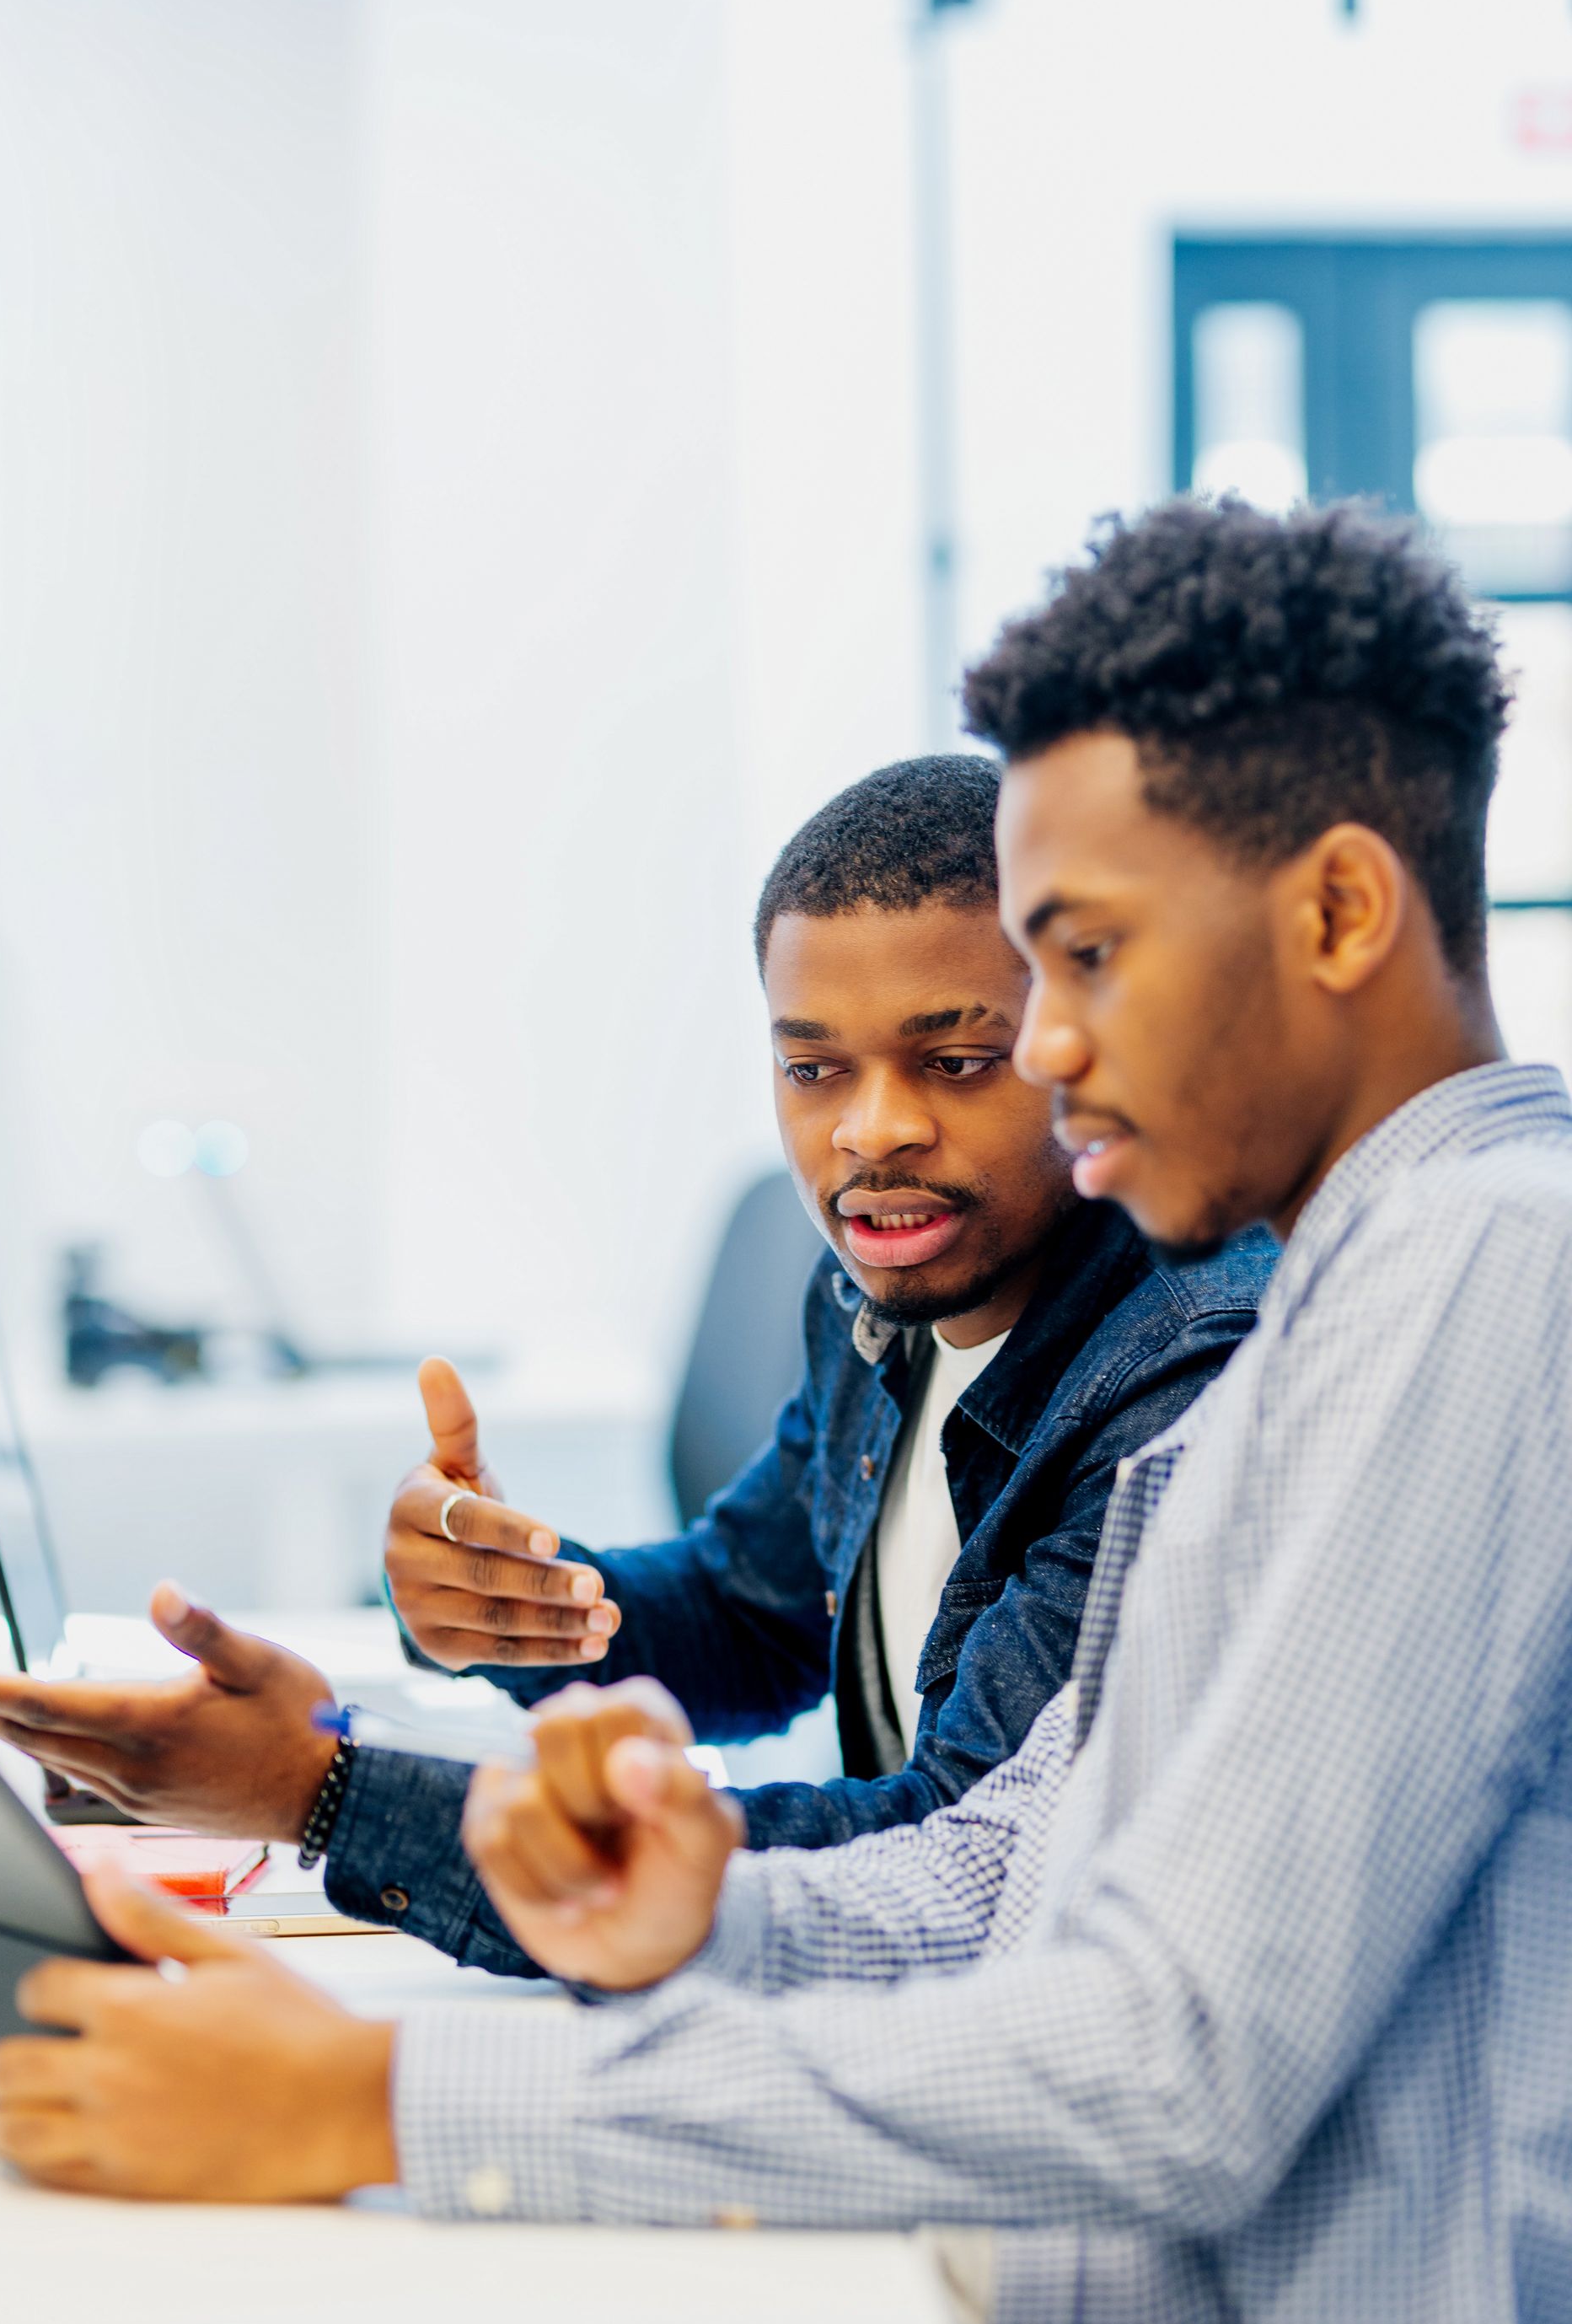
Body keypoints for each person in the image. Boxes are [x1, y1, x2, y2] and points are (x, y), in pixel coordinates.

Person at [0, 496, 1563, 2324]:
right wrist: (682, 1911)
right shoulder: (1360, 1295)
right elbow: (1002, 1876)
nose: (1044, 1051)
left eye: (1088, 959)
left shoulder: (1482, 1274)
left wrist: (374, 2104)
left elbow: (1172, 2063)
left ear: (1342, 910)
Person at [379, 755, 1266, 1875]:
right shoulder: (874, 1296)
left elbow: (958, 1850)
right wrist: (498, 1605)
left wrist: (337, 1801)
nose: (871, 1130)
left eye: (954, 1061)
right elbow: (752, 1616)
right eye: (813, 1068)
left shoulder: (1182, 1374)